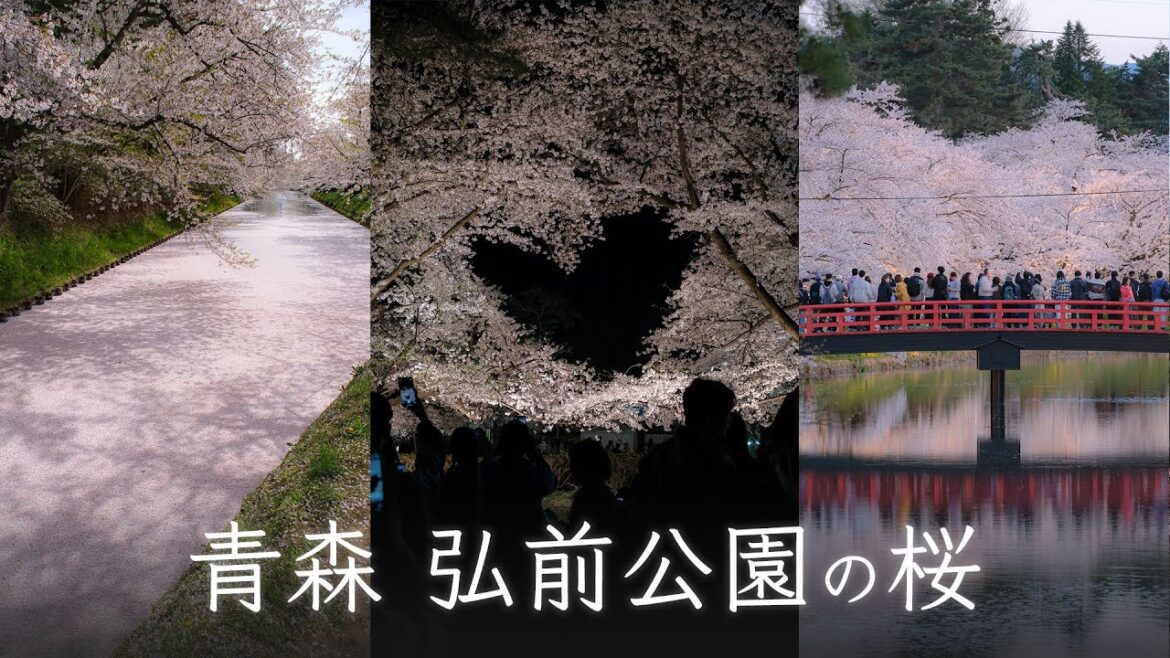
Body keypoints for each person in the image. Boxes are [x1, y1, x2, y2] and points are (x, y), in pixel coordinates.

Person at [568, 438, 626, 536]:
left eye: (573, 464)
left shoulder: (586, 499)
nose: (570, 469)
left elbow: (577, 534)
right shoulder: (606, 496)